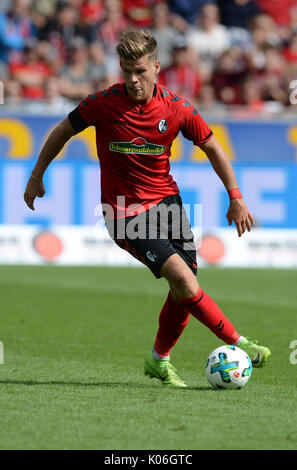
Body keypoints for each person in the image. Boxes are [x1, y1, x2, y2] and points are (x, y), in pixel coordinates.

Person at [24, 30, 271, 388]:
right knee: (184, 280)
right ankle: (239, 342)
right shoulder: (102, 103)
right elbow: (62, 130)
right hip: (123, 212)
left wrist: (236, 196)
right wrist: (36, 175)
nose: (132, 79)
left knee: (185, 288)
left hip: (168, 204)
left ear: (156, 67)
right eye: (126, 71)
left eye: (139, 71)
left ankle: (158, 360)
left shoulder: (177, 107)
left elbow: (213, 147)